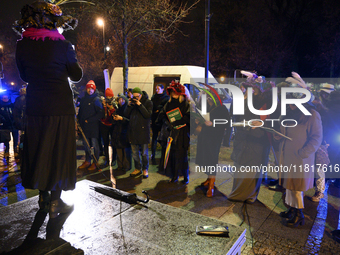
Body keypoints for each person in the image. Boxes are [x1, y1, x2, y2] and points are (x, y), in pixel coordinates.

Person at [14, 1, 82, 218]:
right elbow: (76, 75)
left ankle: (43, 198)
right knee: (58, 152)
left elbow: (24, 76)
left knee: (40, 150)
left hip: (35, 107)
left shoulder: (22, 45)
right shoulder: (63, 46)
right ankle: (55, 202)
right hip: (60, 107)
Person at [277, 98, 322, 227]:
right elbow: (283, 130)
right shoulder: (287, 112)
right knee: (289, 184)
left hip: (300, 158)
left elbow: (317, 137)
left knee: (296, 187)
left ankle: (299, 214)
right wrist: (278, 135)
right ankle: (292, 208)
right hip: (287, 154)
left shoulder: (311, 114)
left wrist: (304, 153)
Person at [228, 82, 270, 203]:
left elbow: (271, 119)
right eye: (247, 88)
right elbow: (235, 116)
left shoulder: (264, 101)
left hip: (257, 140)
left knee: (252, 168)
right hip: (243, 139)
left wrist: (262, 123)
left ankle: (250, 195)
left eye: (252, 88)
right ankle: (238, 193)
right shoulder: (241, 100)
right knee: (240, 167)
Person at [196, 92, 230, 196]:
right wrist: (198, 121)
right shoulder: (206, 107)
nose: (206, 99)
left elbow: (227, 123)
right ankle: (208, 178)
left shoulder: (221, 108)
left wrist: (213, 123)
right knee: (205, 157)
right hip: (204, 136)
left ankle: (212, 183)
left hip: (214, 137)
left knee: (211, 159)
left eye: (208, 97)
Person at [157, 81, 190, 183]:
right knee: (172, 155)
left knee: (182, 155)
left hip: (182, 134)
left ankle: (185, 176)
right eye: (171, 92)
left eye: (175, 92)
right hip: (171, 133)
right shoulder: (168, 103)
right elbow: (162, 115)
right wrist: (168, 123)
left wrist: (178, 122)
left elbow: (188, 117)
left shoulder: (184, 104)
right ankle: (174, 175)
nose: (173, 94)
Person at [125, 87, 153, 178]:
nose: (136, 98)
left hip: (143, 131)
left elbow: (148, 115)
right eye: (134, 96)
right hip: (133, 131)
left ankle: (145, 169)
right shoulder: (132, 103)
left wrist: (140, 105)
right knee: (135, 153)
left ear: (141, 95)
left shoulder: (148, 103)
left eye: (137, 96)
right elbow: (126, 115)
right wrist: (129, 105)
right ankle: (137, 168)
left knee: (144, 153)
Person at [77, 80, 104, 171]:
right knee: (86, 145)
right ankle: (87, 161)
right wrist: (79, 122)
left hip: (94, 128)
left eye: (91, 88)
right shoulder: (84, 99)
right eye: (88, 88)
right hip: (84, 127)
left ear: (94, 89)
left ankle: (95, 162)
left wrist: (89, 120)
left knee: (95, 145)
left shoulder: (96, 100)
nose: (90, 90)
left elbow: (100, 114)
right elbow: (81, 112)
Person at [150, 84, 169, 163]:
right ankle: (153, 154)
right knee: (154, 138)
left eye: (158, 89)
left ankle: (163, 156)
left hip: (162, 121)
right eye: (156, 89)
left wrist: (159, 110)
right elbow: (152, 107)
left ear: (162, 89)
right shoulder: (154, 97)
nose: (157, 90)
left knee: (162, 138)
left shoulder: (166, 97)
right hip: (154, 120)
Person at [112, 94, 131, 171]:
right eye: (119, 100)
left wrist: (122, 118)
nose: (121, 101)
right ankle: (120, 165)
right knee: (119, 150)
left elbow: (129, 121)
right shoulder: (117, 109)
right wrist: (114, 118)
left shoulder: (128, 109)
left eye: (122, 99)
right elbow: (112, 122)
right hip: (117, 132)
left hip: (125, 132)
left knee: (126, 151)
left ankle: (126, 166)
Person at [100, 88, 117, 167]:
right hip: (104, 125)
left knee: (114, 143)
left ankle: (114, 159)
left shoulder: (115, 102)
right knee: (105, 143)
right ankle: (107, 159)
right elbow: (101, 114)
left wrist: (111, 108)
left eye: (110, 96)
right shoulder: (102, 102)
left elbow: (116, 113)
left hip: (112, 125)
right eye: (107, 96)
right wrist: (103, 106)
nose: (109, 98)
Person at [0, 93, 18, 160]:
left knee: (15, 137)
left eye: (7, 98)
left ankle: (15, 149)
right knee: (6, 138)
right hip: (5, 125)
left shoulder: (12, 105)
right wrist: (2, 118)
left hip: (13, 124)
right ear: (2, 99)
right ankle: (7, 149)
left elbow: (15, 113)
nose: (6, 99)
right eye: (4, 98)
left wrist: (15, 119)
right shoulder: (0, 105)